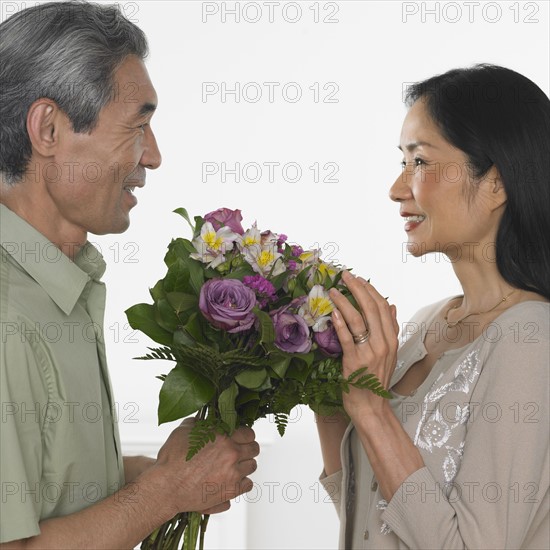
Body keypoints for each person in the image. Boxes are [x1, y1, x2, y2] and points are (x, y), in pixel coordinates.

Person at [0, 2, 259, 548]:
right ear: (48, 129)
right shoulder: (6, 314)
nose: (155, 155)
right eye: (138, 125)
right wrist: (166, 493)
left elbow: (40, 485)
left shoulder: (55, 283)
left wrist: (161, 474)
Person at [317, 64, 549, 549]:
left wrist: (372, 408)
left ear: (496, 183)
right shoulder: (428, 323)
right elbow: (371, 520)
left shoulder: (530, 338)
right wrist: (326, 391)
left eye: (419, 162)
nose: (397, 188)